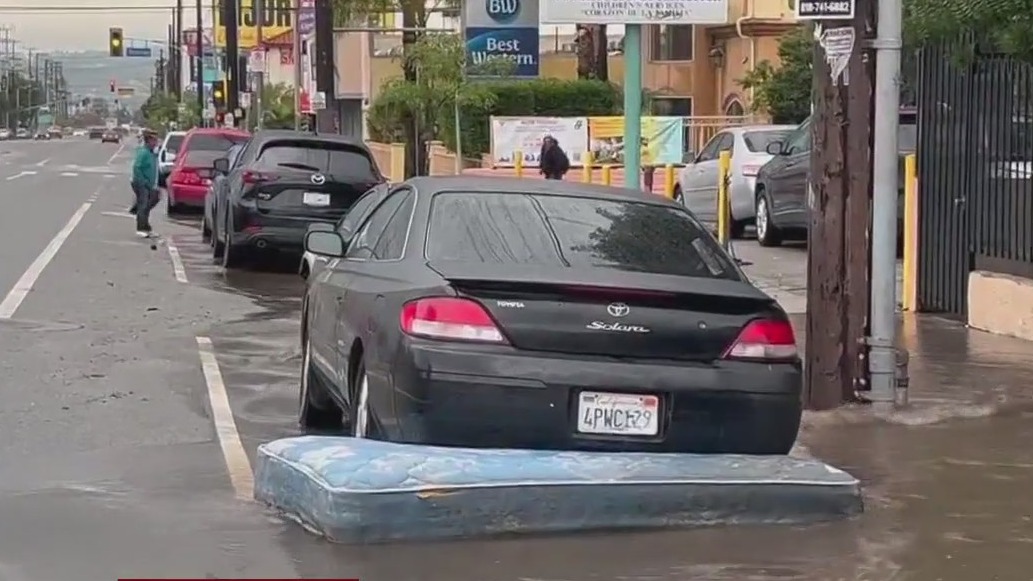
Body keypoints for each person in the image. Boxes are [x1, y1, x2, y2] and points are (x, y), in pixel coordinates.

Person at [131, 131, 160, 237]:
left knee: (151, 201)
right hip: (141, 183)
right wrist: (143, 181)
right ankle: (141, 228)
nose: (156, 143)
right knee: (143, 204)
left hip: (150, 184)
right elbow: (136, 167)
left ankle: (145, 225)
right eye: (154, 140)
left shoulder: (152, 153)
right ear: (148, 141)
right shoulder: (143, 152)